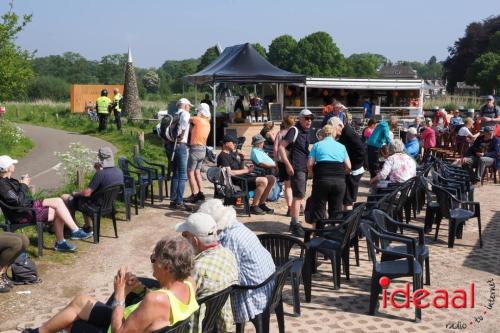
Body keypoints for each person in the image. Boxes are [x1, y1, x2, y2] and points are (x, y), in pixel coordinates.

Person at [27, 236, 199, 333]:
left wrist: (120, 294)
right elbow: (163, 309)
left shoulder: (157, 299)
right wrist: (140, 289)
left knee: (70, 325)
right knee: (82, 301)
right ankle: (38, 332)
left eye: (154, 260)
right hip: (136, 322)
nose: (152, 263)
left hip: (119, 328)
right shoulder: (189, 282)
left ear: (167, 267)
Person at [197, 200, 275, 328]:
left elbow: (226, 273)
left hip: (254, 293)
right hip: (268, 283)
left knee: (210, 298)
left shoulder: (230, 238)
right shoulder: (235, 226)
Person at [0, 156, 91, 252]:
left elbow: (22, 198)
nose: (14, 165)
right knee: (58, 212)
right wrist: (24, 185)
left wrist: (22, 184)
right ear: (6, 168)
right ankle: (63, 241)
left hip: (27, 206)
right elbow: (19, 202)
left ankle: (74, 231)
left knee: (58, 201)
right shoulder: (2, 185)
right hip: (21, 214)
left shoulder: (9, 181)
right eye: (12, 164)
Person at [176, 213, 238, 333]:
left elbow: (174, 303)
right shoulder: (228, 255)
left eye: (185, 235)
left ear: (194, 240)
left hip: (193, 326)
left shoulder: (195, 270)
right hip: (218, 324)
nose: (182, 238)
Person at [61, 147, 124, 233]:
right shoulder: (119, 171)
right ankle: (87, 226)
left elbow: (87, 193)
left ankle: (73, 228)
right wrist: (98, 169)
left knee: (65, 197)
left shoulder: (100, 174)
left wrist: (76, 193)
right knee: (83, 199)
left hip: (94, 206)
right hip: (109, 205)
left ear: (101, 159)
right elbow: (105, 185)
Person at [217, 135, 275, 215]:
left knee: (271, 178)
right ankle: (253, 206)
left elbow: (239, 168)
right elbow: (229, 173)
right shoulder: (222, 156)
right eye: (233, 143)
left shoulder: (231, 154)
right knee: (263, 180)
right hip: (236, 182)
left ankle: (261, 204)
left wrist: (242, 160)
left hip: (242, 178)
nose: (235, 144)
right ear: (226, 144)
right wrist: (246, 170)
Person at [278, 109, 313, 237]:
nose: (309, 120)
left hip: (302, 167)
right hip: (296, 168)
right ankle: (295, 224)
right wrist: (288, 165)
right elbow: (281, 147)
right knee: (298, 196)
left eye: (311, 118)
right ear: (300, 118)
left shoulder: (306, 132)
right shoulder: (294, 130)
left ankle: (294, 222)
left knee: (299, 196)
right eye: (307, 118)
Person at [307, 125, 351, 221]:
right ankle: (333, 231)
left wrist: (311, 174)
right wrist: (342, 174)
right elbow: (349, 166)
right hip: (339, 181)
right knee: (336, 209)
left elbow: (310, 164)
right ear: (334, 135)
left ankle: (317, 232)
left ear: (322, 134)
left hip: (321, 179)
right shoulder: (342, 146)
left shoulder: (317, 145)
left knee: (318, 208)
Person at [328, 117, 366, 210]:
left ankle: (347, 222)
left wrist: (351, 167)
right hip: (351, 169)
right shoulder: (345, 133)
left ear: (340, 125)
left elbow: (361, 151)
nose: (334, 132)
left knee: (348, 199)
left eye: (334, 129)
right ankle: (345, 220)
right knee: (346, 198)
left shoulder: (349, 133)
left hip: (353, 171)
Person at [166, 98, 192, 211]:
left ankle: (173, 200)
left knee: (175, 173)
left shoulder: (172, 114)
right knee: (182, 174)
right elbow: (183, 126)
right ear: (185, 105)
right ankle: (179, 201)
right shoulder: (185, 114)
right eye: (189, 105)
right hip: (180, 145)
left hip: (170, 145)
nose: (190, 107)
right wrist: (180, 136)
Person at [185, 103, 211, 204]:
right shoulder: (207, 122)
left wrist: (187, 111)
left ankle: (194, 195)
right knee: (197, 171)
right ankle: (201, 193)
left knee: (190, 172)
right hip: (203, 149)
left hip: (195, 149)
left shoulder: (198, 120)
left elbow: (188, 118)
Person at [273, 115, 296, 216]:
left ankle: (290, 207)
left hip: (283, 161)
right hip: (294, 161)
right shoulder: (296, 132)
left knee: (287, 186)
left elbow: (275, 149)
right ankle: (297, 206)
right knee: (296, 185)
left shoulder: (280, 133)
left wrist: (276, 162)